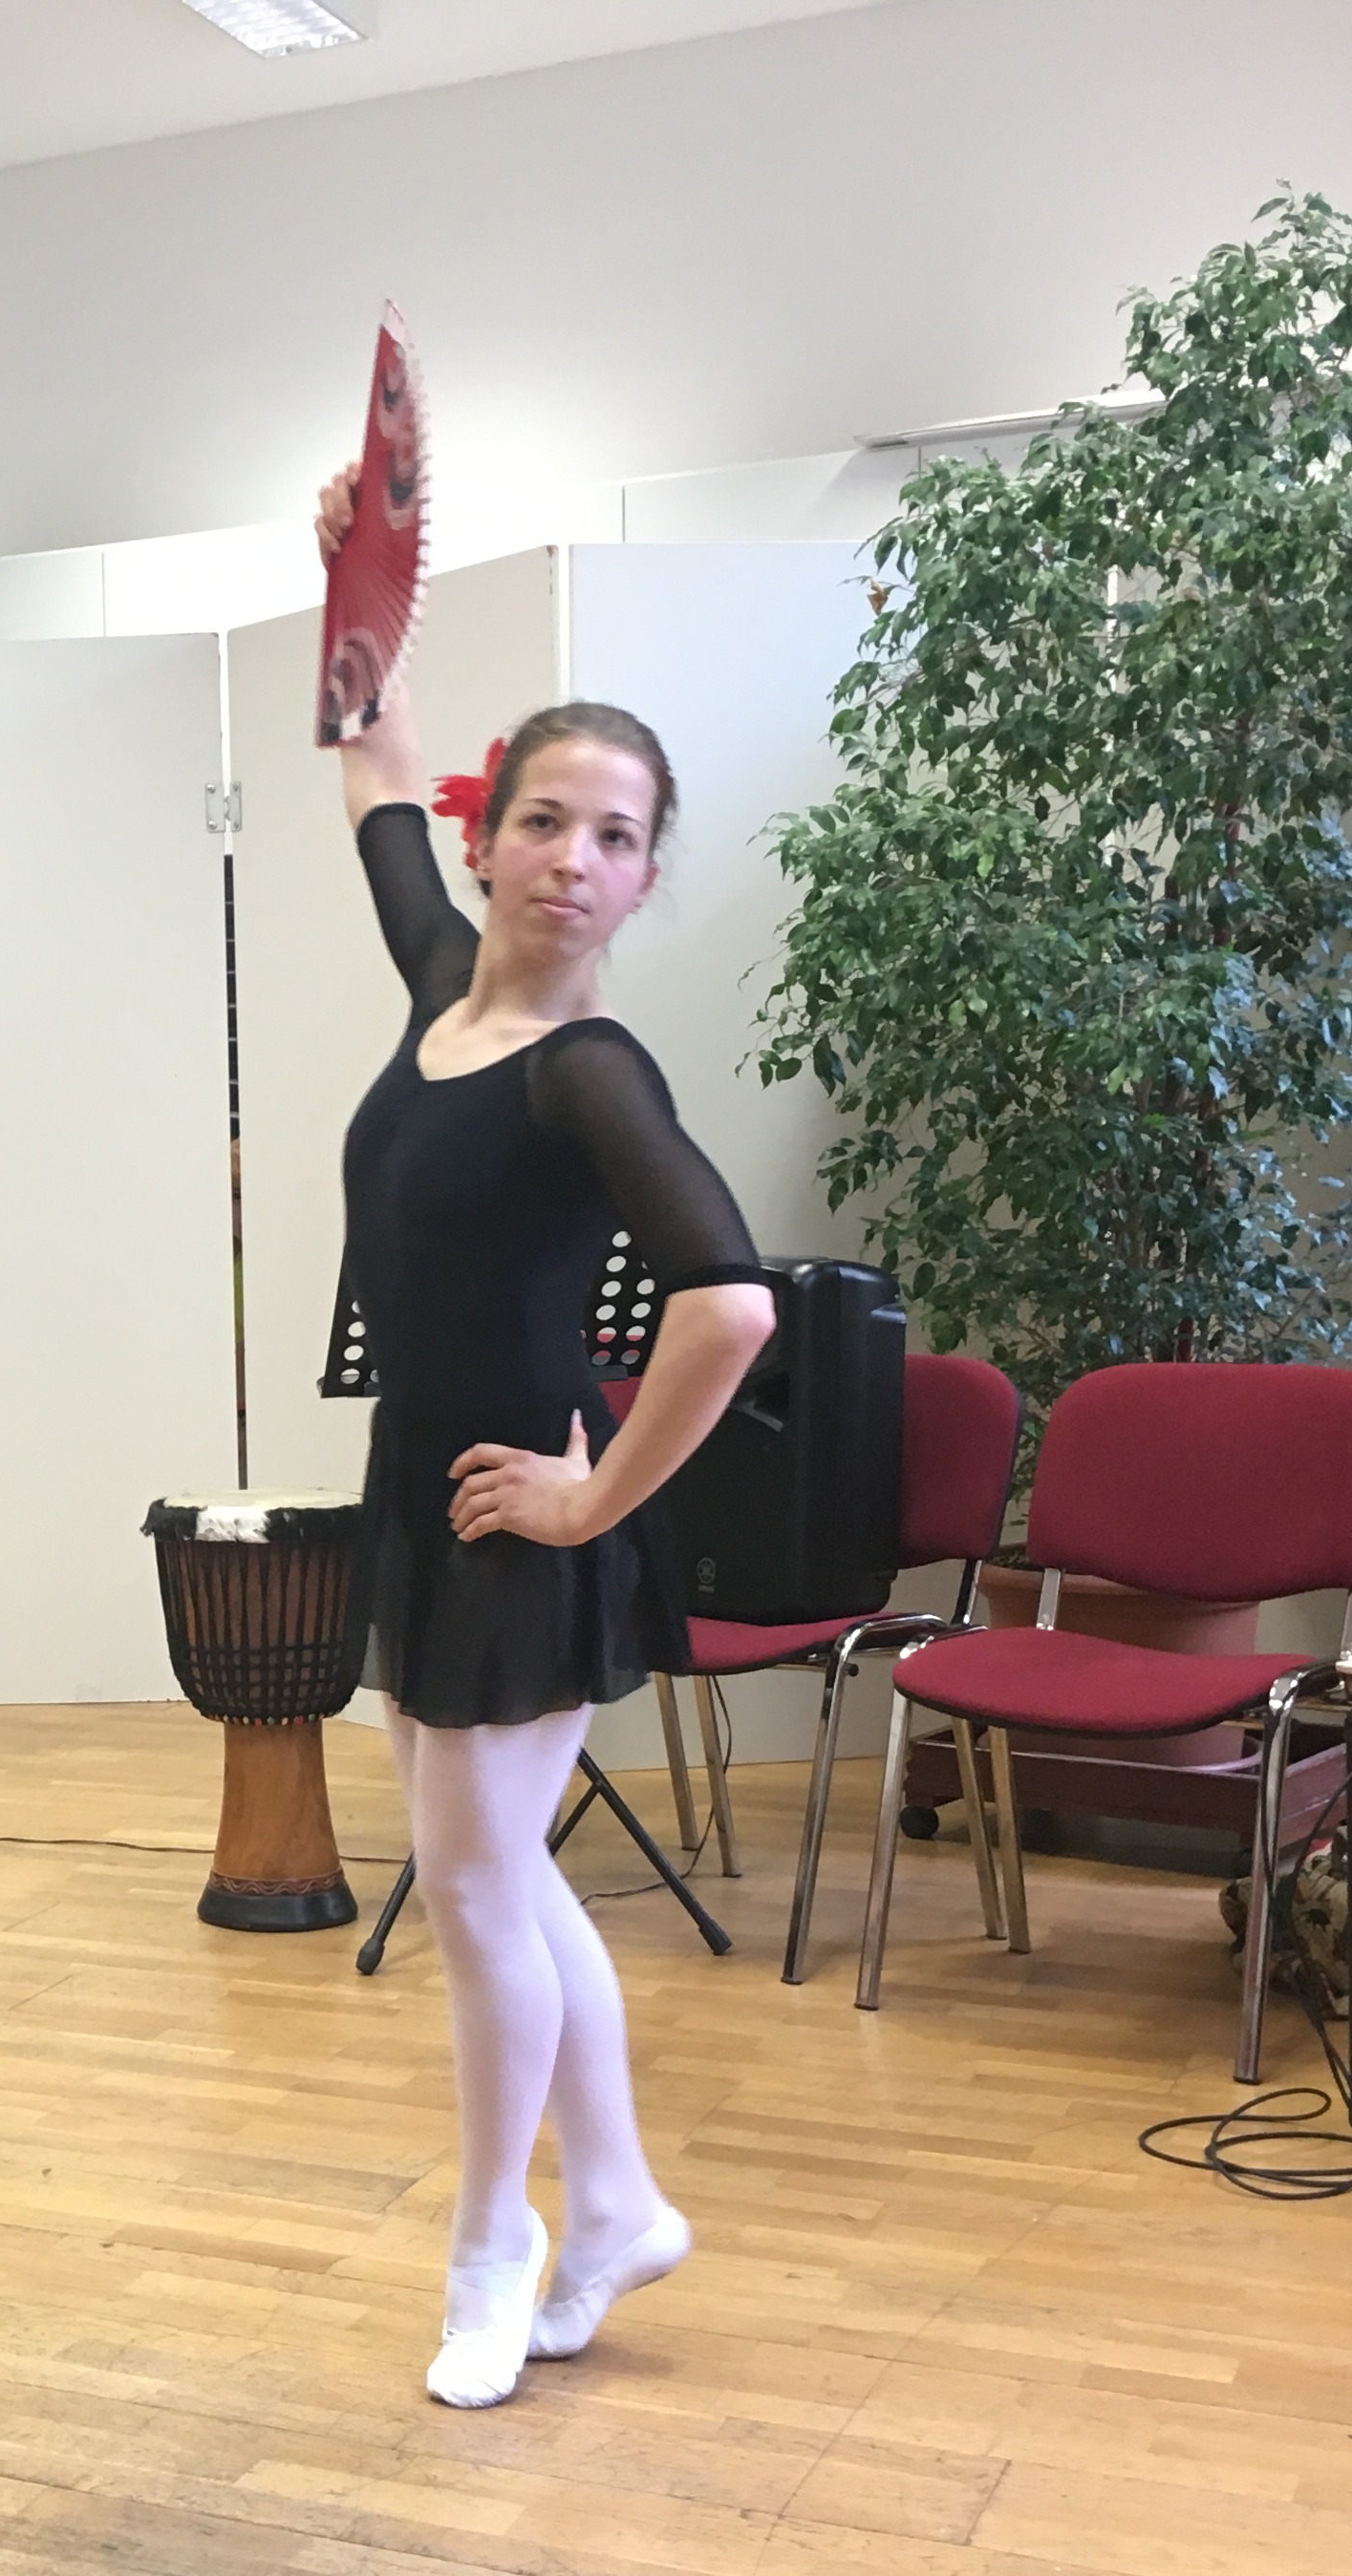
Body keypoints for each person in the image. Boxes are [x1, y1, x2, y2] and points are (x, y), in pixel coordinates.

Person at [318, 474, 779, 2409]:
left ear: (644, 877)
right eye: (542, 820)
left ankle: (494, 2245)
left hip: (518, 1517)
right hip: (428, 1500)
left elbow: (728, 1304)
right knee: (507, 1877)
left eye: (615, 836)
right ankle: (621, 2208)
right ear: (487, 833)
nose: (571, 859)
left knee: (474, 1896)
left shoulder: (590, 1073)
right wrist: (355, 588)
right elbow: (368, 763)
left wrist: (593, 1494)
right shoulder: (443, 991)